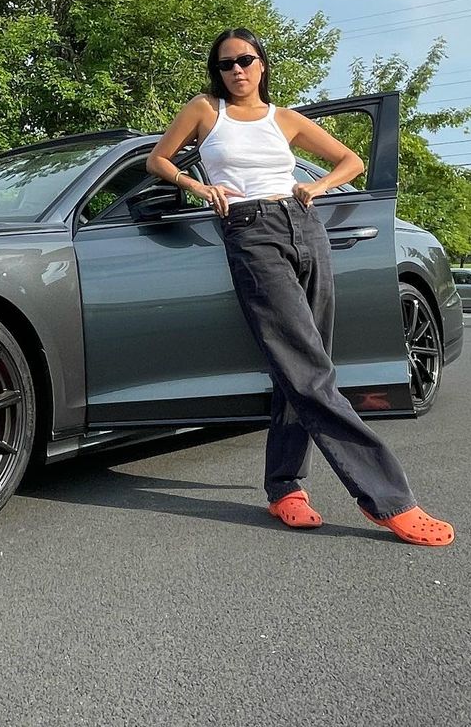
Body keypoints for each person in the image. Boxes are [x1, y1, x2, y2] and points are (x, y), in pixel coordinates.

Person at [146, 27, 454, 547]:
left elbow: (351, 161)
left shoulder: (284, 118)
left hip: (305, 226)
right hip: (250, 231)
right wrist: (196, 185)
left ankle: (285, 486)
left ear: (262, 64)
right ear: (216, 72)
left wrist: (318, 186)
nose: (236, 70)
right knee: (308, 370)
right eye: (225, 64)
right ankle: (389, 499)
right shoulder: (204, 110)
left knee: (306, 366)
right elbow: (157, 159)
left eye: (245, 60)